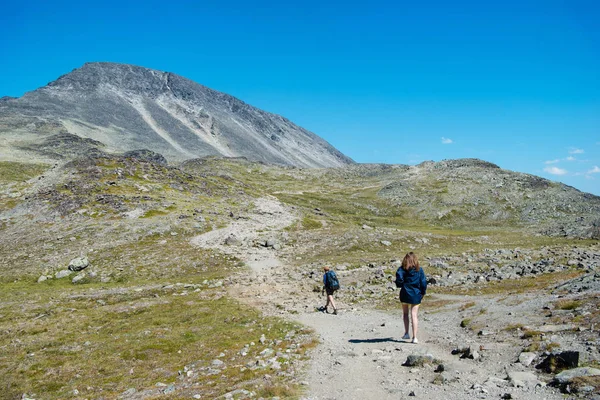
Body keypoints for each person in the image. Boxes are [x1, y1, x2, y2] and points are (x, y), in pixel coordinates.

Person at [395, 252, 427, 343]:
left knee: (405, 314)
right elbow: (423, 283)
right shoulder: (419, 270)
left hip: (405, 293)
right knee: (414, 315)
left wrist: (401, 284)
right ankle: (415, 337)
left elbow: (398, 281)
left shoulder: (402, 269)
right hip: (416, 294)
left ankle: (406, 333)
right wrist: (423, 293)